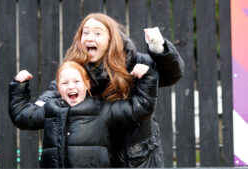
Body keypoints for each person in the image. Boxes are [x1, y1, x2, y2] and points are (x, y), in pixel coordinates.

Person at [16, 13, 184, 167]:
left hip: (136, 157)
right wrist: (34, 103)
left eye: (97, 33)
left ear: (111, 39)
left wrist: (158, 47)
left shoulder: (134, 61)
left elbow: (171, 75)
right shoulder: (75, 69)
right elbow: (53, 94)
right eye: (86, 33)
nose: (90, 37)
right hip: (96, 158)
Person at [9, 61, 159, 168]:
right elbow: (22, 116)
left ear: (86, 84)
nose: (71, 86)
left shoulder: (101, 109)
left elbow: (140, 107)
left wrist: (148, 78)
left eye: (76, 81)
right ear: (58, 89)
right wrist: (19, 86)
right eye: (65, 83)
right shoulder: (51, 109)